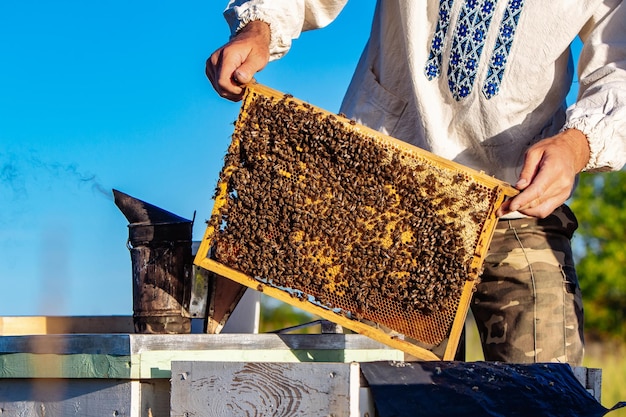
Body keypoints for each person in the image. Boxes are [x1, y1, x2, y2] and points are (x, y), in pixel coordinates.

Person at [205, 0, 626, 365]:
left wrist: (577, 145)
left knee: (546, 388)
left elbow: (619, 64)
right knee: (394, 389)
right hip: (388, 194)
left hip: (516, 198)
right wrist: (260, 27)